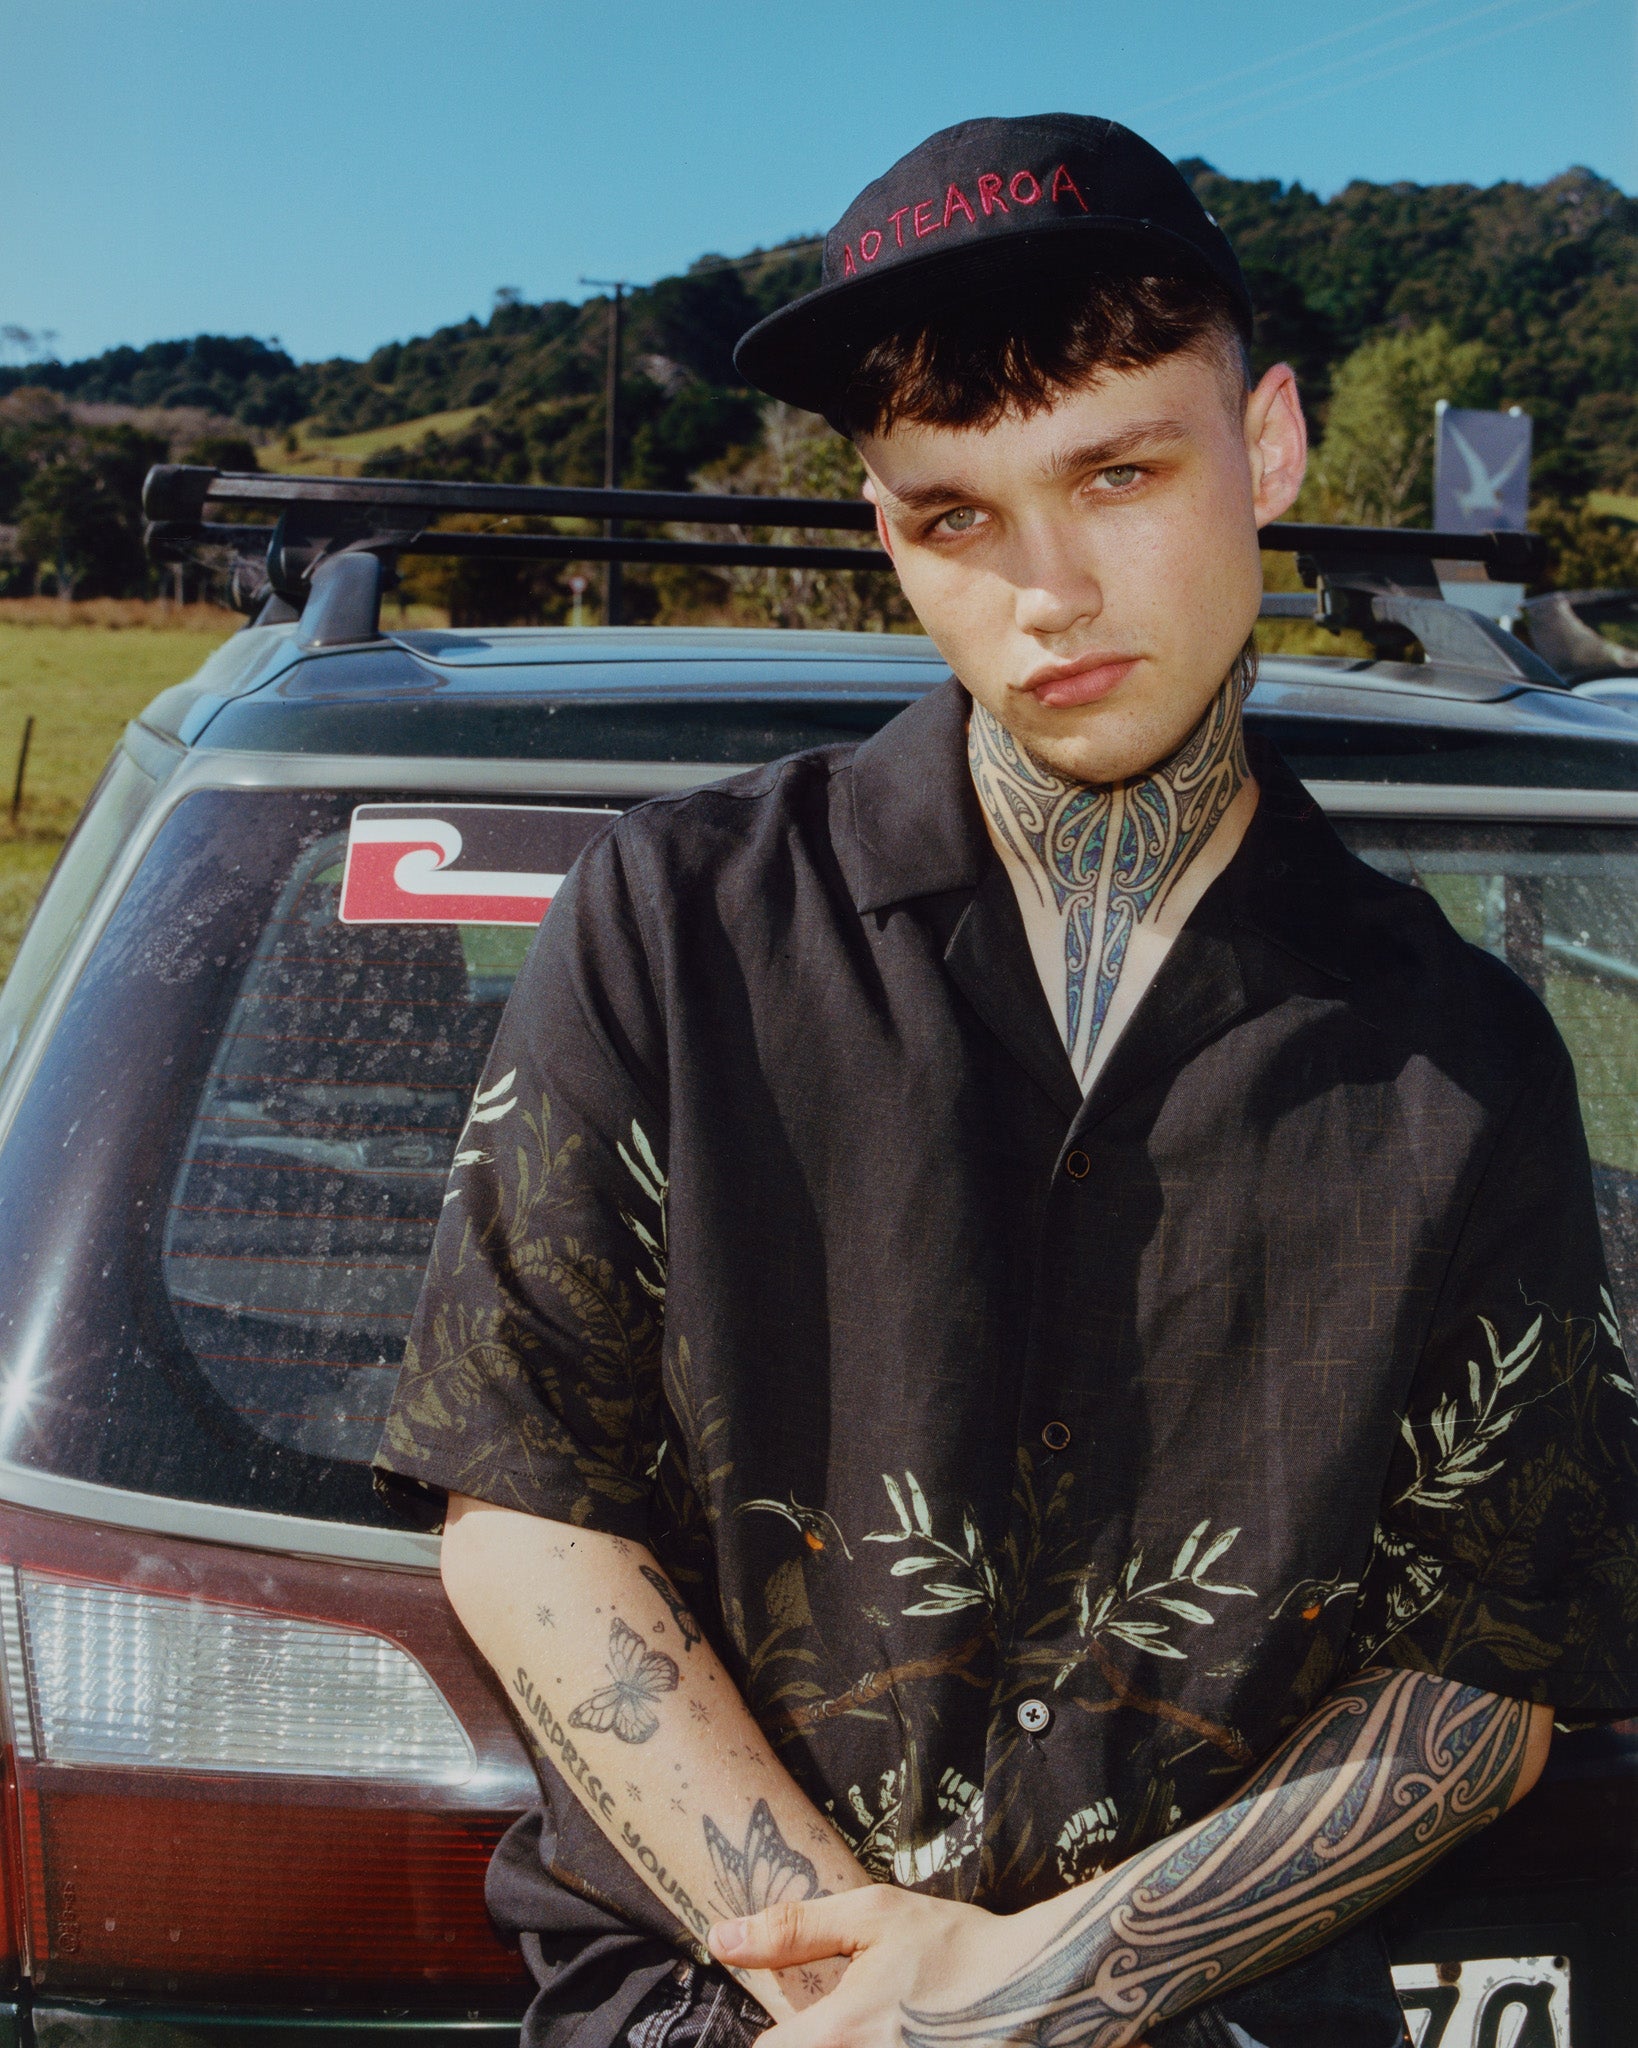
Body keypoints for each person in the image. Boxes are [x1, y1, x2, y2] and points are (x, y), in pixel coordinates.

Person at [374, 115, 1638, 2048]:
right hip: (716, 2011)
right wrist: (853, 1983)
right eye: (954, 512)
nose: (1044, 588)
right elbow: (530, 1498)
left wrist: (1035, 1988)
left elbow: (1486, 1677)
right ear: (886, 527)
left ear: (1269, 446)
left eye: (1117, 472)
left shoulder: (1461, 1066)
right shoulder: (676, 925)